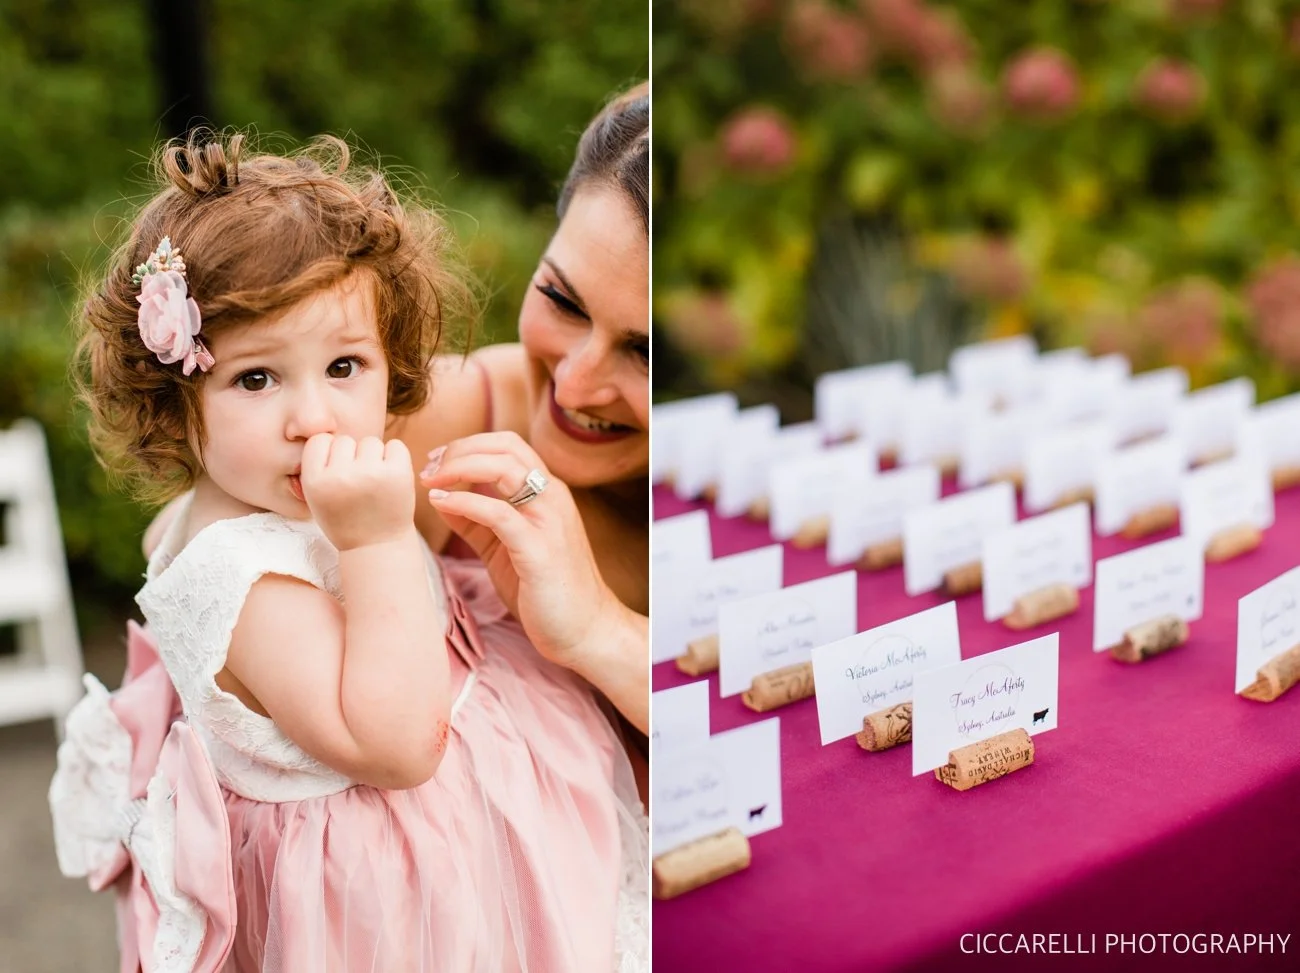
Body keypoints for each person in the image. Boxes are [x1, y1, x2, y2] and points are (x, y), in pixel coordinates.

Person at [49, 132, 647, 972]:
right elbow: (397, 743)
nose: (314, 418)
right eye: (256, 379)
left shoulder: (268, 494)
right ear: (174, 402)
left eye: (343, 365)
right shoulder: (246, 577)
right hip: (400, 909)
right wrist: (378, 537)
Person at [397, 83, 650, 785]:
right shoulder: (437, 422)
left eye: (645, 353)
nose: (572, 386)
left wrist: (600, 631)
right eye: (563, 301)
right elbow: (199, 565)